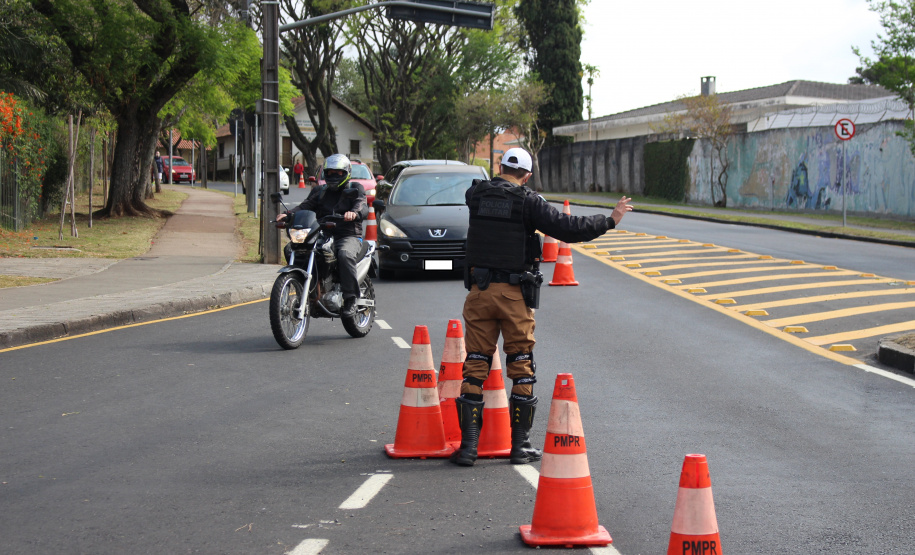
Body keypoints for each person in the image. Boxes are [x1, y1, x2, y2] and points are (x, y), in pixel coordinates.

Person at [450, 147, 633, 467]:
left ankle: (468, 448)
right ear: (528, 175)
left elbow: (477, 193)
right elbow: (567, 227)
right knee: (521, 364)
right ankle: (519, 447)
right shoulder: (527, 201)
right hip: (514, 296)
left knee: (475, 364)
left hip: (479, 293)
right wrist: (609, 220)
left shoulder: (475, 195)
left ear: (501, 166)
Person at [277, 154, 368, 316]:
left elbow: (361, 205)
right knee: (292, 248)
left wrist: (354, 213)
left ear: (346, 172)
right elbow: (305, 206)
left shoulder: (355, 188)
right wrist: (288, 214)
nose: (334, 176)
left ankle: (350, 299)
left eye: (338, 173)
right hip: (322, 233)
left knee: (345, 254)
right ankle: (308, 288)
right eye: (330, 172)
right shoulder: (319, 191)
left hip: (347, 235)